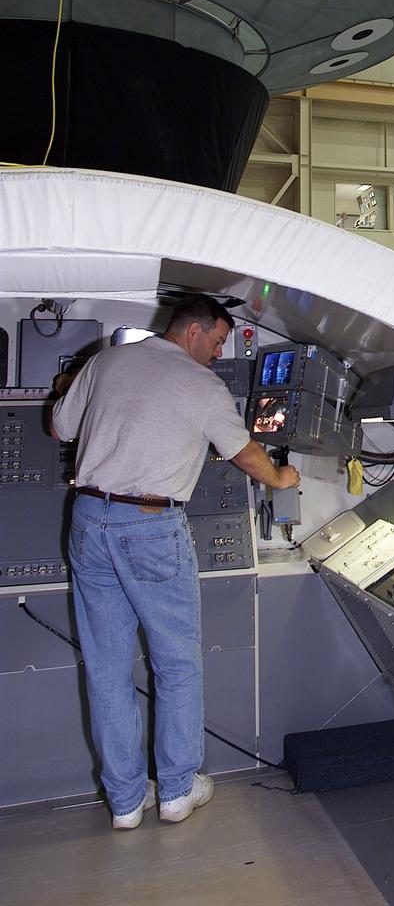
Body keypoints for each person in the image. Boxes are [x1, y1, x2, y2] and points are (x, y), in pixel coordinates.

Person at [50, 294, 300, 830]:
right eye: (215, 342)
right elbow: (245, 453)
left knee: (107, 666)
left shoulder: (105, 362)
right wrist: (283, 479)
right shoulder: (202, 385)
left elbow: (60, 429)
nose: (216, 353)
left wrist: (66, 390)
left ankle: (123, 802)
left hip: (90, 520)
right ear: (193, 331)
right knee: (176, 663)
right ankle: (177, 791)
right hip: (152, 526)